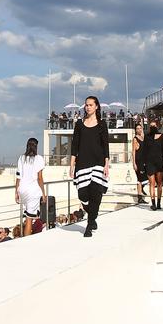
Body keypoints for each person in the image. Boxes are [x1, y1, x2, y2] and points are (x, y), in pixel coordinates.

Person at [69, 95, 110, 237]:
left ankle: (89, 224)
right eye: (86, 105)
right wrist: (71, 165)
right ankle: (92, 215)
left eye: (91, 105)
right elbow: (74, 146)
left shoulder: (102, 124)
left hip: (98, 163)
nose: (88, 107)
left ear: (96, 106)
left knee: (96, 193)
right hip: (82, 163)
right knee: (83, 195)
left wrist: (106, 164)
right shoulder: (79, 124)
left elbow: (105, 145)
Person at [15, 137, 47, 236]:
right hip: (33, 191)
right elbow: (40, 178)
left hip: (22, 189)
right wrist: (43, 193)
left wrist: (16, 191)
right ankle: (27, 241)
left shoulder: (21, 158)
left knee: (28, 216)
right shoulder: (39, 159)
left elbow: (18, 176)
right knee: (29, 219)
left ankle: (26, 237)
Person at [141, 122, 163, 211]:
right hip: (150, 163)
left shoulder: (162, 137)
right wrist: (143, 164)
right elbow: (144, 150)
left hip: (159, 163)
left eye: (154, 126)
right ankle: (153, 203)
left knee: (159, 183)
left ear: (157, 126)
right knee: (152, 183)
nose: (152, 127)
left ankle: (159, 203)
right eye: (151, 126)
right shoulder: (147, 137)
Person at [132, 125, 148, 205]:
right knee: (140, 179)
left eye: (140, 128)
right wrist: (134, 163)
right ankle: (139, 197)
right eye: (137, 128)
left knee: (146, 177)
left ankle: (141, 189)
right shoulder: (135, 139)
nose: (139, 130)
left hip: (144, 161)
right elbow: (133, 151)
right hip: (138, 161)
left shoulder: (143, 138)